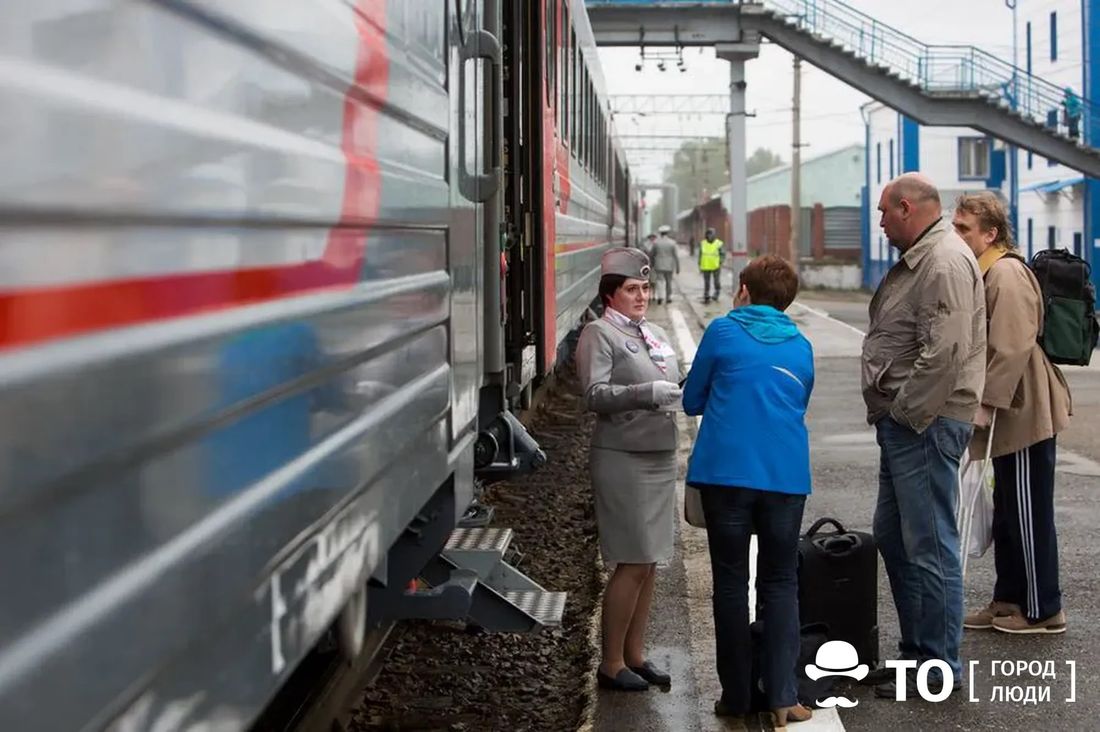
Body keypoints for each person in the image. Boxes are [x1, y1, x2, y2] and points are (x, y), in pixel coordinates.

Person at [860, 173, 986, 699]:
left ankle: (938, 667)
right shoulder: (927, 255)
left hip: (925, 424)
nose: (882, 224)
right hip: (908, 424)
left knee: (931, 544)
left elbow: (946, 352)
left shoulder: (942, 261)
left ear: (907, 208)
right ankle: (917, 653)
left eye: (886, 214)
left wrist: (906, 415)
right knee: (894, 536)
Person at [683, 255, 815, 726]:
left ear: (743, 290)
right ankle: (783, 697)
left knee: (731, 582)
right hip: (784, 477)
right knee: (781, 583)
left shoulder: (722, 332)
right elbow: (799, 398)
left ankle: (736, 696)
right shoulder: (801, 344)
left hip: (727, 476)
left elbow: (691, 399)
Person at [952, 192, 1072, 635]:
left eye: (965, 228)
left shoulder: (1005, 273)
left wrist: (986, 403)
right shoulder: (986, 270)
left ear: (991, 233)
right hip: (1010, 408)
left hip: (1022, 410)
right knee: (1007, 508)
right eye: (956, 226)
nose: (958, 234)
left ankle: (1044, 610)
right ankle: (1008, 600)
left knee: (1027, 509)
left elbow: (1011, 346)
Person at [575, 247, 682, 692]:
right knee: (633, 561)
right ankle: (611, 661)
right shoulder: (598, 334)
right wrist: (645, 392)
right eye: (632, 289)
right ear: (610, 295)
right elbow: (594, 395)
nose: (642, 296)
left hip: (658, 455)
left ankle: (636, 655)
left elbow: (669, 382)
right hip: (624, 459)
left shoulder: (651, 332)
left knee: (650, 561)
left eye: (645, 288)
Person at [650, 224, 681, 304]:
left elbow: (652, 254)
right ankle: (668, 297)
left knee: (660, 281)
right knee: (669, 282)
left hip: (659, 265)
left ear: (660, 233)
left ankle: (660, 297)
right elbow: (676, 256)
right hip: (669, 266)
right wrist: (678, 267)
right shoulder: (672, 243)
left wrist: (651, 265)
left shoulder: (656, 243)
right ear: (668, 233)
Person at [699, 227, 725, 304]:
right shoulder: (703, 243)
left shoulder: (719, 243)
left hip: (715, 266)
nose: (709, 236)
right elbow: (700, 255)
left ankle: (716, 293)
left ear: (714, 235)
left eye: (711, 234)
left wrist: (720, 262)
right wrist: (699, 265)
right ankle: (706, 294)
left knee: (716, 281)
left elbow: (722, 254)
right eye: (708, 234)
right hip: (705, 266)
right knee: (706, 282)